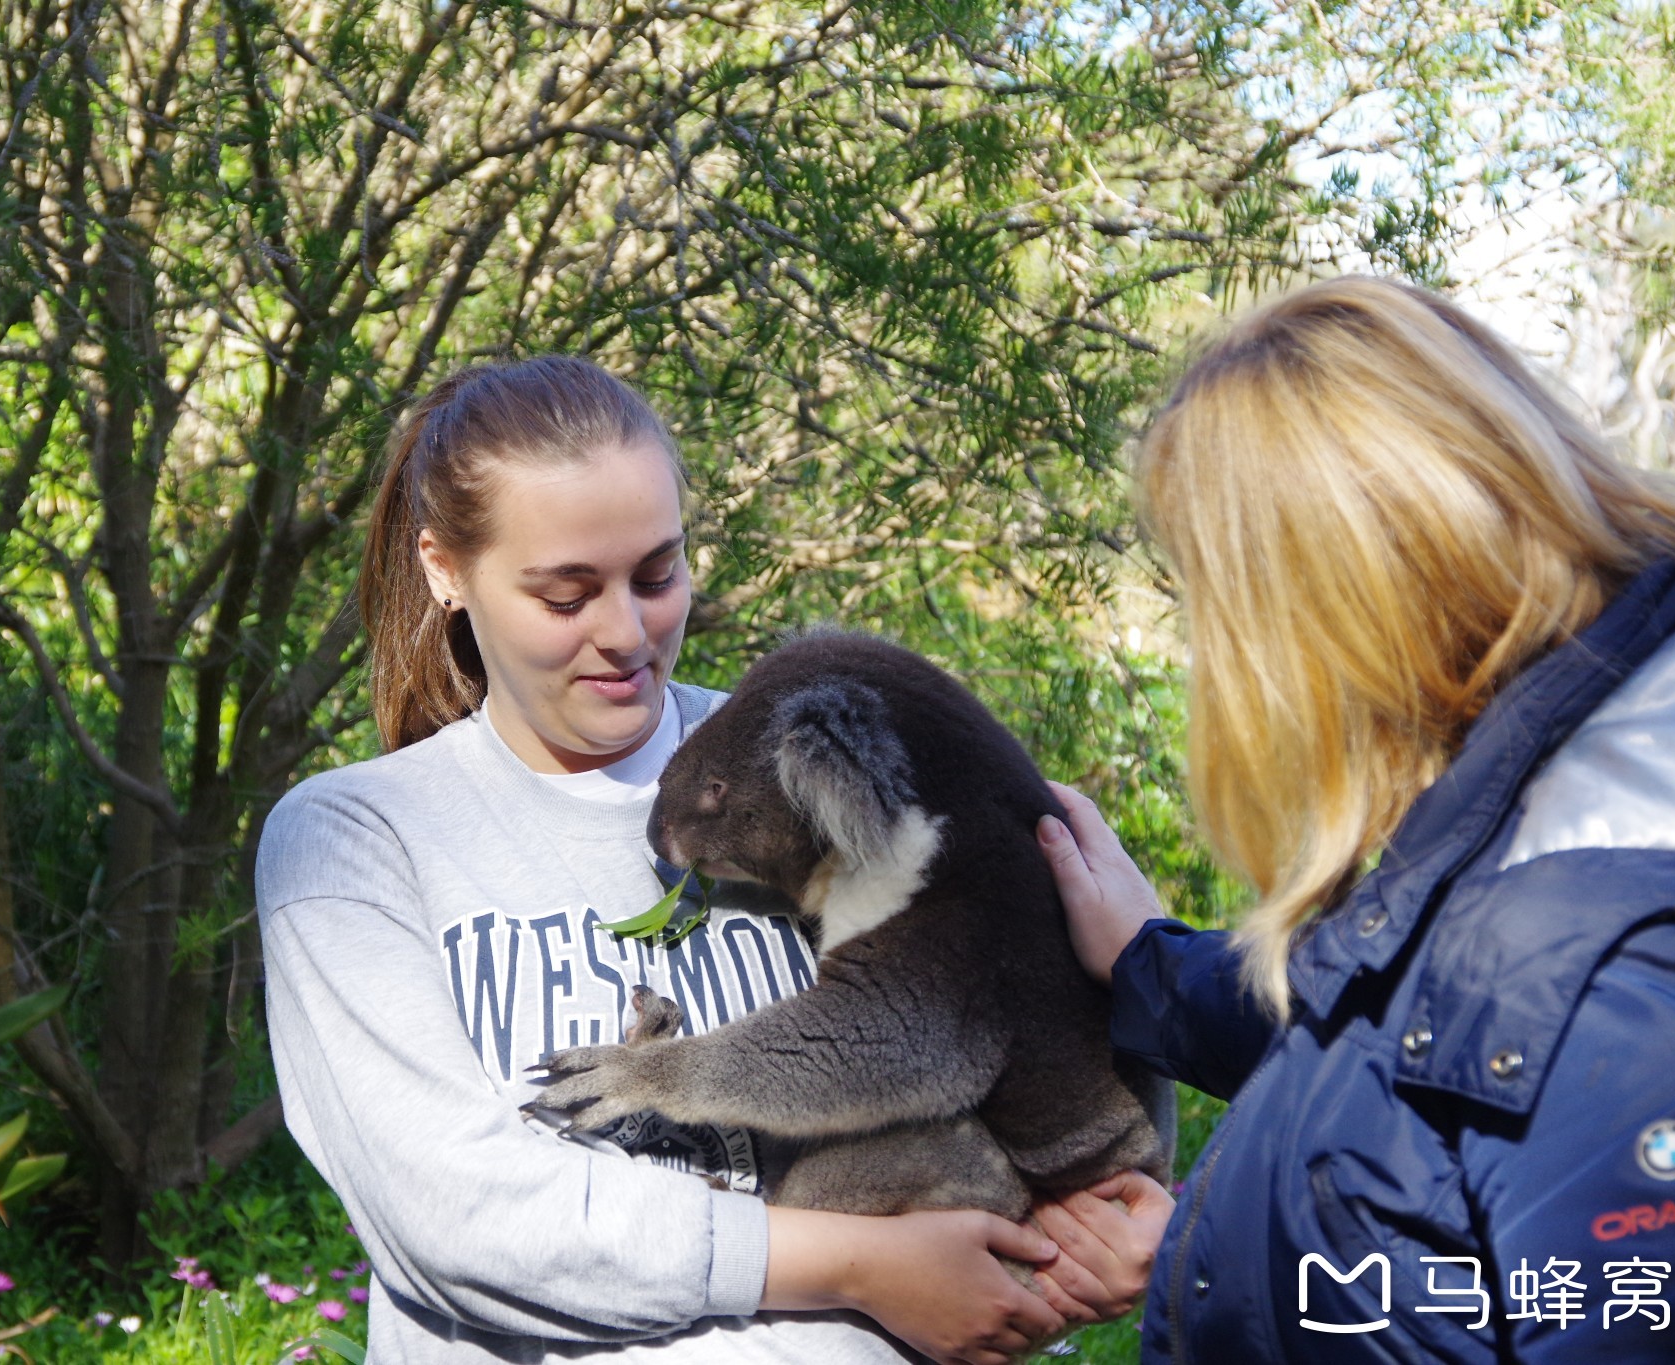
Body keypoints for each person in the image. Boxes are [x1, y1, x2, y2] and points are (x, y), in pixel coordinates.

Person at [253, 355, 1168, 1365]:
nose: (625, 633)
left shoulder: (811, 757)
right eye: (564, 597)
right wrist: (856, 1265)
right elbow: (459, 1220)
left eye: (656, 575)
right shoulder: (352, 841)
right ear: (444, 569)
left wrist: (1109, 1216)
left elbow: (1027, 1017)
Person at [1033, 275, 1675, 1362]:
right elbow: (1411, 1044)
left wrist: (1216, 1253)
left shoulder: (1595, 971)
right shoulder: (1571, 766)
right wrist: (1151, 972)